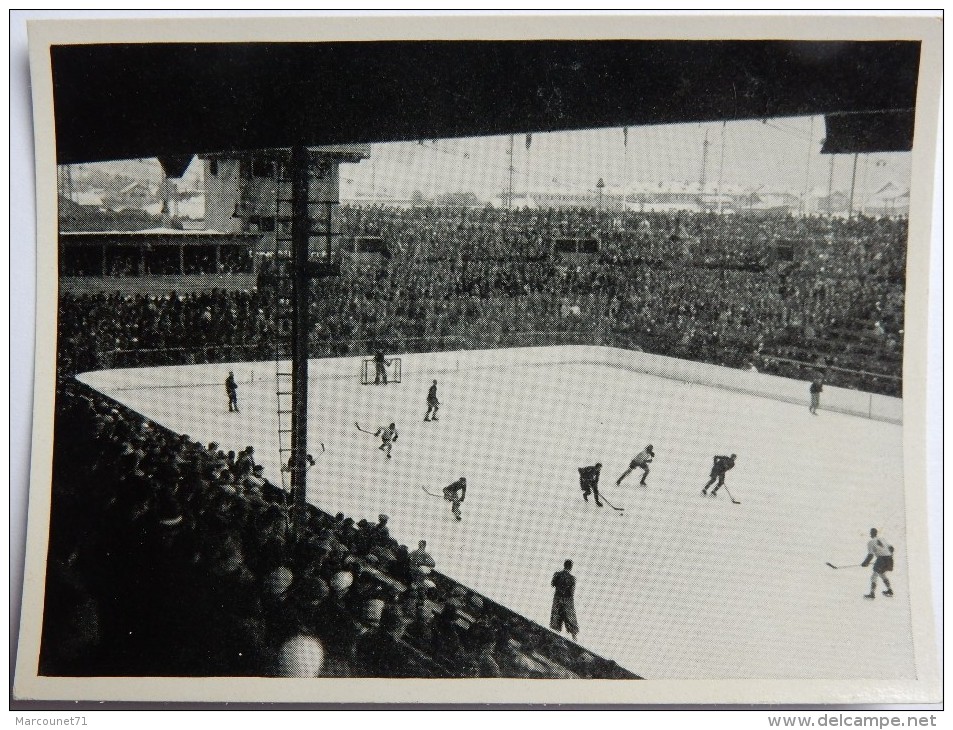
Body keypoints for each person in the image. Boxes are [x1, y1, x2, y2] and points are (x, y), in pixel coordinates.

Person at [862, 528, 895, 599]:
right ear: (876, 533)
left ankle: (872, 594)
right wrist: (888, 555)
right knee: (882, 574)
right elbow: (892, 548)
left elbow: (870, 555)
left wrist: (865, 563)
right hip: (889, 559)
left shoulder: (870, 542)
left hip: (881, 559)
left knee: (874, 576)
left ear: (871, 533)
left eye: (870, 532)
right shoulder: (882, 539)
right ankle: (889, 590)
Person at [550, 559, 578, 641]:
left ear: (564, 565)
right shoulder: (572, 579)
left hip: (557, 600)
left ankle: (553, 639)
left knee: (556, 620)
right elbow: (571, 593)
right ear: (571, 567)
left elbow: (552, 584)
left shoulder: (557, 574)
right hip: (567, 602)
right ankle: (574, 639)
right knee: (570, 620)